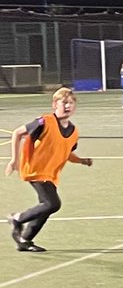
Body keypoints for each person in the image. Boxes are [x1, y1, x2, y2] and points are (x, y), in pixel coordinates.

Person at [6, 86, 93, 252]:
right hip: (35, 170)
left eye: (71, 103)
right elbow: (17, 133)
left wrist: (81, 160)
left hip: (50, 175)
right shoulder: (44, 121)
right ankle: (17, 218)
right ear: (55, 104)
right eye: (64, 102)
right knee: (52, 203)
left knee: (45, 208)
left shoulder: (74, 132)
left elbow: (66, 153)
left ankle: (24, 240)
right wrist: (14, 160)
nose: (68, 106)